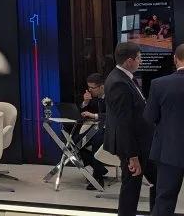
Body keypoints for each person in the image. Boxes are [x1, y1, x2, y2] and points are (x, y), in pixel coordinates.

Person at [104, 42, 156, 216]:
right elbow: (123, 123)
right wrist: (132, 156)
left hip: (140, 143)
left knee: (150, 182)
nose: (141, 61)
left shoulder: (125, 77)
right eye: (139, 58)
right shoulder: (118, 82)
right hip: (133, 147)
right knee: (131, 187)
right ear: (129, 61)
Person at [144, 44, 184, 216]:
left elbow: (149, 117)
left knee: (164, 200)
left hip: (169, 150)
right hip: (169, 150)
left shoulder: (159, 84)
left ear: (175, 59)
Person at [77, 72, 108, 190]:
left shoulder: (111, 96)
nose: (89, 90)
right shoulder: (95, 98)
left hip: (110, 130)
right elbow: (84, 111)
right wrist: (85, 102)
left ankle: (98, 178)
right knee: (75, 143)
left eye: (92, 88)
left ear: (101, 87)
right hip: (96, 128)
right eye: (88, 87)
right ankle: (100, 169)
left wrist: (93, 115)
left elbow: (112, 115)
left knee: (97, 140)